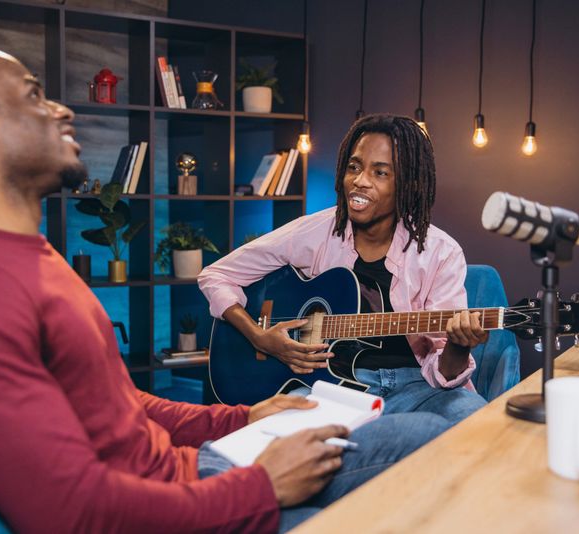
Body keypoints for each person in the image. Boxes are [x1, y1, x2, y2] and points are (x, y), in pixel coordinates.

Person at [0, 47, 451, 533]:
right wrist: (261, 486)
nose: (61, 108)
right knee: (430, 446)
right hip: (183, 504)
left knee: (433, 429)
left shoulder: (25, 258)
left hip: (190, 470)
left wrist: (241, 418)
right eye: (33, 95)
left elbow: (116, 404)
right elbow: (67, 512)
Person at [198, 114, 489, 425]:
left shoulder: (441, 252)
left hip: (416, 386)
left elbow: (443, 371)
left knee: (476, 422)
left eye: (380, 172)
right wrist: (258, 337)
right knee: (267, 433)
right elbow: (216, 275)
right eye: (354, 167)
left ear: (409, 183)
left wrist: (458, 346)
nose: (360, 180)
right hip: (327, 387)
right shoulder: (316, 231)